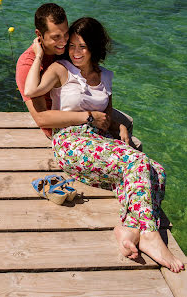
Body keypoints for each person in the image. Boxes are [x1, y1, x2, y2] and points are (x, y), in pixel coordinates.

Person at [23, 16, 184, 273]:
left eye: (82, 47)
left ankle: (129, 228)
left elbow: (106, 117)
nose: (75, 52)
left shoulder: (106, 76)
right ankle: (151, 236)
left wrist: (119, 126)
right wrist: (39, 54)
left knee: (157, 170)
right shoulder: (61, 69)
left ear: (94, 48)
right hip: (71, 142)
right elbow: (31, 91)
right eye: (72, 45)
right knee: (138, 162)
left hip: (100, 142)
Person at [16, 3, 142, 150]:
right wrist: (89, 117)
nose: (63, 42)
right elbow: (41, 118)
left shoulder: (66, 48)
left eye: (65, 34)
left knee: (127, 123)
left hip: (83, 105)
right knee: (135, 145)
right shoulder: (28, 64)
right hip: (64, 127)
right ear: (39, 35)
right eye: (56, 37)